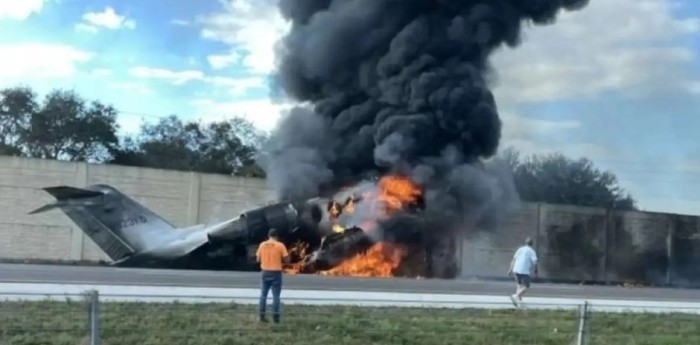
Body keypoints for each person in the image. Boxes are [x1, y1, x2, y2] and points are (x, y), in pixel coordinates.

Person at [256, 228, 290, 323]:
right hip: (276, 272)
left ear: (268, 236)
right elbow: (287, 260)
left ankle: (262, 316)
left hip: (265, 271)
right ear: (277, 236)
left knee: (263, 295)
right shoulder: (280, 245)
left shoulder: (262, 245)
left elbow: (258, 259)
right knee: (276, 296)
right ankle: (276, 318)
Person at [507, 237, 538, 307]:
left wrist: (510, 269)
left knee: (519, 285)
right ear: (532, 244)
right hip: (524, 271)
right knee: (527, 286)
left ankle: (519, 302)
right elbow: (535, 262)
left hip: (516, 269)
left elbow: (514, 259)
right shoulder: (532, 251)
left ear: (525, 243)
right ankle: (515, 296)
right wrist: (536, 270)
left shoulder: (520, 249)